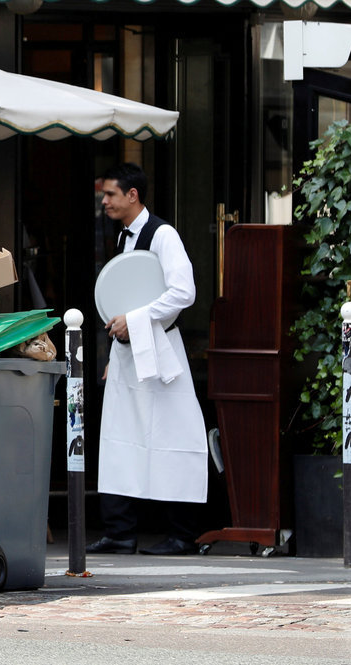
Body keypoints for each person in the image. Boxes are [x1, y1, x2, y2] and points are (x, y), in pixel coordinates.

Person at [86, 163, 208, 556]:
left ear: (133, 195)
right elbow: (128, 294)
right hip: (128, 354)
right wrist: (115, 352)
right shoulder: (123, 237)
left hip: (160, 352)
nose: (104, 201)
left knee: (175, 435)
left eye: (111, 194)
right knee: (120, 439)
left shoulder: (163, 235)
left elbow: (183, 292)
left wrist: (135, 321)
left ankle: (182, 534)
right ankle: (120, 532)